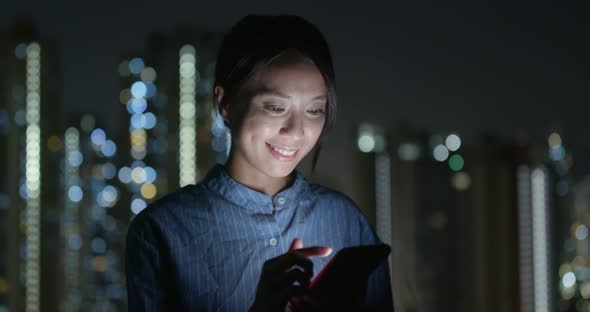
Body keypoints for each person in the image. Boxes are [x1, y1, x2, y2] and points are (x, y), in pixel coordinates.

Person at [125, 14, 394, 311]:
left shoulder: (345, 221)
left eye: (315, 110)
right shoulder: (161, 231)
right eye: (276, 107)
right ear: (225, 104)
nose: (296, 131)